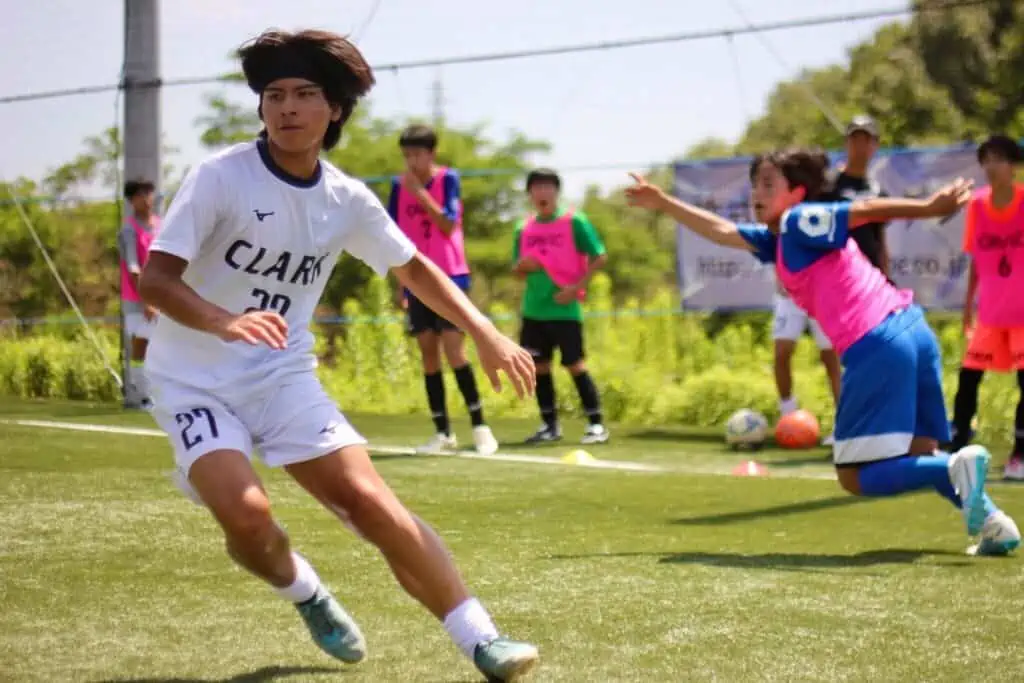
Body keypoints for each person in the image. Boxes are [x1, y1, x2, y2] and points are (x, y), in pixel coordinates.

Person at [138, 29, 539, 681]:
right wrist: (224, 320)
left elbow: (416, 270)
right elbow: (156, 280)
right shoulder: (219, 178)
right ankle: (305, 589)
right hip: (194, 381)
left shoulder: (345, 199)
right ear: (261, 108)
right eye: (274, 95)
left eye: (303, 94)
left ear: (335, 111)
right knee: (248, 518)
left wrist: (488, 332)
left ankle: (481, 637)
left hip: (282, 376)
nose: (287, 108)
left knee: (368, 498)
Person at [626, 148, 1020, 556]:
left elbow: (862, 210)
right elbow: (723, 232)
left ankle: (955, 467)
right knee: (919, 454)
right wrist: (664, 202)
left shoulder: (798, 221)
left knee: (853, 475)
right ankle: (994, 523)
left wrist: (927, 207)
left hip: (877, 342)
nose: (755, 193)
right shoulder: (777, 239)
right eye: (754, 183)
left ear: (797, 192)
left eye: (767, 184)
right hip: (913, 331)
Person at [386, 124, 497, 456]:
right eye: (407, 155)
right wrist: (400, 283)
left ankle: (480, 428)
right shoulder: (397, 186)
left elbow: (448, 224)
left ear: (431, 153)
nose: (411, 161)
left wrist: (421, 194)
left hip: (451, 276)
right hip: (415, 279)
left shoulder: (448, 179)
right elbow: (390, 237)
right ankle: (442, 432)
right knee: (429, 356)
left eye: (417, 154)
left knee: (455, 351)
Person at [513, 168, 610, 445]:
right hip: (533, 310)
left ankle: (596, 425)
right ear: (530, 193)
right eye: (537, 187)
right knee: (539, 367)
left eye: (548, 187)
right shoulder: (523, 228)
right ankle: (549, 426)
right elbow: (517, 270)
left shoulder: (574, 221)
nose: (542, 192)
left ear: (556, 192)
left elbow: (599, 256)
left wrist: (577, 287)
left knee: (575, 365)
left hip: (565, 310)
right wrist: (522, 268)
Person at [949, 134, 1024, 481]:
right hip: (990, 313)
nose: (992, 167)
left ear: (1014, 165)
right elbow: (977, 260)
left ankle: (1019, 456)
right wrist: (968, 306)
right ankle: (958, 447)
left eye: (999, 159)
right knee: (969, 378)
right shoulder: (977, 206)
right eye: (986, 160)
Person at [118, 179, 161, 409]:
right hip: (139, 301)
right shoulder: (129, 229)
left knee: (164, 347)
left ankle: (158, 394)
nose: (146, 198)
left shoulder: (161, 225)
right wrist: (147, 300)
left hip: (164, 298)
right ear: (131, 200)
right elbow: (133, 268)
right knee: (141, 344)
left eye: (149, 193)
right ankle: (141, 396)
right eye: (140, 194)